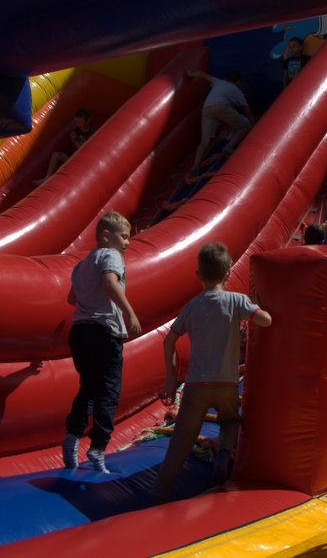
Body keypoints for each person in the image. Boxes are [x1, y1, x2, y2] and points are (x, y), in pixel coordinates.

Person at [149, 242, 272, 502]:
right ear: (228, 273)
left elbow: (169, 340)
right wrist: (258, 306)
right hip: (226, 384)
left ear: (198, 275)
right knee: (230, 421)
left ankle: (158, 493)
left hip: (196, 386)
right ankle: (223, 456)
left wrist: (171, 378)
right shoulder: (236, 300)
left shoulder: (192, 306)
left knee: (181, 441)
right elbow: (266, 320)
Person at [61, 211, 141, 473]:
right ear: (106, 236)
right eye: (124, 237)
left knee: (88, 388)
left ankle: (72, 435)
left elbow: (72, 298)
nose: (127, 242)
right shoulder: (111, 255)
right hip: (104, 330)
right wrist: (129, 313)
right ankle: (97, 447)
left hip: (79, 331)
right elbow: (109, 282)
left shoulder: (82, 264)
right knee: (108, 390)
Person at [188, 69, 256, 176]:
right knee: (244, 127)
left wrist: (190, 73)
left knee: (205, 140)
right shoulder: (237, 91)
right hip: (221, 106)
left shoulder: (219, 82)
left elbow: (202, 74)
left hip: (206, 109)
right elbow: (248, 111)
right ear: (238, 82)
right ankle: (229, 146)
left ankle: (195, 166)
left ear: (226, 78)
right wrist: (255, 127)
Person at [36, 109, 94, 183]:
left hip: (82, 159)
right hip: (74, 155)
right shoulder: (77, 130)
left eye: (80, 122)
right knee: (56, 155)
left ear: (87, 121)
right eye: (76, 122)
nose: (78, 124)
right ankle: (47, 177)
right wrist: (73, 140)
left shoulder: (91, 133)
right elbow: (74, 147)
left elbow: (84, 151)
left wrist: (75, 141)